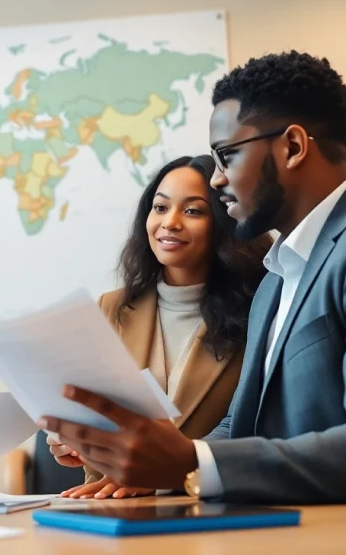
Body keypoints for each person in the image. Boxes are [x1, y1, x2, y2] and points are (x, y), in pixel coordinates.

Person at [37, 51, 346, 507]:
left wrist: (189, 463)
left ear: (292, 147)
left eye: (227, 156)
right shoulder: (275, 276)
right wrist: (151, 465)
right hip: (291, 526)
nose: (215, 180)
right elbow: (241, 427)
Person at [47, 155, 272, 499]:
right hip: (121, 513)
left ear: (224, 223)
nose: (170, 223)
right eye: (160, 207)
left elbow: (259, 431)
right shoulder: (112, 308)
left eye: (193, 211)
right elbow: (101, 437)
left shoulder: (260, 307)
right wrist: (78, 443)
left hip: (215, 508)